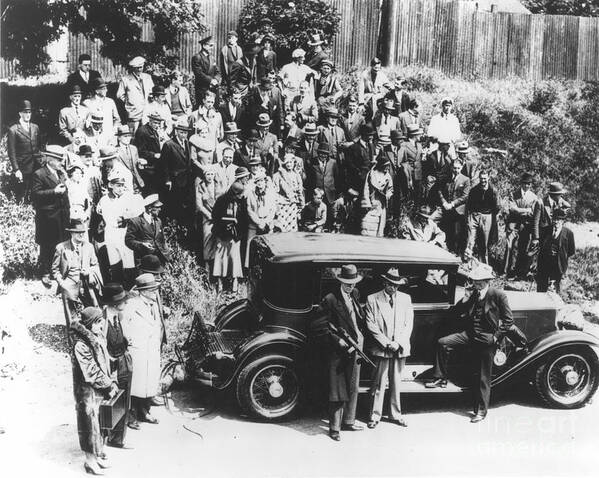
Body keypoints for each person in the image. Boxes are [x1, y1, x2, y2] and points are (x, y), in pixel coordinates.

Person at [426, 264, 513, 423]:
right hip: (470, 335)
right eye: (474, 280)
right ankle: (440, 376)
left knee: (482, 377)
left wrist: (495, 337)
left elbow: (508, 321)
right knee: (443, 343)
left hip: (487, 339)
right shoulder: (473, 294)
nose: (476, 283)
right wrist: (465, 298)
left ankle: (480, 411)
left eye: (479, 281)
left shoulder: (498, 295)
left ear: (487, 281)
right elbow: (457, 312)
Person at [315, 264, 365, 441]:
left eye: (353, 283)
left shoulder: (355, 295)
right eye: (347, 283)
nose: (351, 287)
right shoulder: (330, 299)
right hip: (338, 351)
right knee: (337, 390)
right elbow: (320, 327)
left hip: (356, 347)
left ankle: (349, 421)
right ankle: (334, 428)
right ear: (341, 282)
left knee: (353, 386)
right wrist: (339, 341)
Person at [70, 306, 118, 475]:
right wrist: (108, 384)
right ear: (90, 324)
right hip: (87, 392)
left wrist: (111, 380)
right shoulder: (81, 345)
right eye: (98, 323)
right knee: (89, 425)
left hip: (98, 389)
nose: (101, 326)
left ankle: (97, 457)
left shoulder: (97, 337)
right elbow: (90, 371)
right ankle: (89, 461)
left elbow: (104, 362)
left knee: (99, 423)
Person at [364, 268, 413, 429]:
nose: (394, 288)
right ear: (385, 282)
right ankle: (374, 415)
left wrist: (398, 343)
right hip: (382, 348)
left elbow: (408, 325)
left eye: (397, 285)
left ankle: (395, 414)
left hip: (399, 347)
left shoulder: (406, 299)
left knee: (396, 383)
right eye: (391, 284)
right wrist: (386, 343)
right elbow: (371, 325)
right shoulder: (372, 299)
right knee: (378, 383)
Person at [121, 274, 162, 425]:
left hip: (151, 350)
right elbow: (123, 323)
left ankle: (145, 412)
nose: (155, 293)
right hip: (138, 350)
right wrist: (129, 340)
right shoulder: (132, 305)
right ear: (143, 291)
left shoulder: (154, 305)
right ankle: (131, 416)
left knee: (149, 383)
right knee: (136, 385)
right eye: (152, 290)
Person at [101, 283, 137, 441]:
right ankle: (110, 436)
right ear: (115, 303)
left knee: (124, 397)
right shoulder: (102, 320)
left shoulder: (119, 316)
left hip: (123, 360)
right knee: (112, 399)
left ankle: (118, 438)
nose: (126, 302)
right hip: (111, 365)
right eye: (124, 300)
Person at [31, 146, 71, 287]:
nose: (62, 162)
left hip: (62, 215)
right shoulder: (39, 174)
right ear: (50, 159)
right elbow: (35, 195)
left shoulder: (60, 173)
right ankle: (45, 273)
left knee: (61, 243)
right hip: (47, 217)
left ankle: (59, 271)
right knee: (47, 245)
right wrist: (53, 191)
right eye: (59, 159)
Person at [97, 170, 144, 287]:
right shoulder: (104, 200)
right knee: (114, 262)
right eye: (118, 186)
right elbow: (107, 217)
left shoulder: (128, 198)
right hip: (111, 234)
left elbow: (138, 210)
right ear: (110, 185)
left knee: (129, 262)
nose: (121, 189)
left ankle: (131, 288)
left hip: (124, 234)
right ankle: (118, 289)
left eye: (123, 186)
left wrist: (125, 217)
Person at [52, 218, 100, 322]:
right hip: (69, 285)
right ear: (71, 233)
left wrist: (89, 272)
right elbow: (55, 270)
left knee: (93, 314)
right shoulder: (61, 247)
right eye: (78, 232)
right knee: (71, 319)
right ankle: (72, 336)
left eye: (83, 232)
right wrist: (62, 283)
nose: (81, 235)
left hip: (86, 284)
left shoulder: (89, 247)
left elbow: (95, 265)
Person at [212, 181, 248, 292]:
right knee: (220, 258)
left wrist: (238, 232)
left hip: (235, 235)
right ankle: (220, 283)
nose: (241, 196)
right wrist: (223, 227)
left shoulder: (242, 202)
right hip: (222, 234)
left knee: (235, 258)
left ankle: (235, 283)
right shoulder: (221, 200)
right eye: (239, 194)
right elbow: (215, 217)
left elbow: (244, 219)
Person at [503, 172, 539, 278]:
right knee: (510, 247)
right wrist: (525, 210)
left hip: (526, 226)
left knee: (522, 248)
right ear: (521, 183)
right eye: (524, 183)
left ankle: (518, 271)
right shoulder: (514, 194)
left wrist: (519, 210)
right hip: (513, 224)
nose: (526, 186)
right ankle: (506, 271)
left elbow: (532, 212)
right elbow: (512, 209)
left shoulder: (533, 197)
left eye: (529, 184)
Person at [7, 99, 42, 202]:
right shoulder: (13, 130)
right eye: (25, 112)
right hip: (23, 167)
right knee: (22, 194)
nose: (28, 114)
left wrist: (41, 161)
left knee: (36, 192)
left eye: (29, 112)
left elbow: (39, 146)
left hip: (36, 166)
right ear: (20, 113)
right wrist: (16, 169)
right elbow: (11, 152)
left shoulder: (35, 127)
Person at [125, 194, 170, 268]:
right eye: (157, 207)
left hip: (158, 261)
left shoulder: (158, 221)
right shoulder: (136, 222)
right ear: (149, 208)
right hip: (144, 261)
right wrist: (141, 244)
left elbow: (162, 240)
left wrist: (167, 255)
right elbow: (128, 241)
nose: (160, 209)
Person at [436, 157, 470, 255]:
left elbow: (465, 196)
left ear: (461, 167)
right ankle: (447, 253)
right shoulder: (447, 178)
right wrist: (444, 202)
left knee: (457, 234)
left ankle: (457, 255)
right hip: (447, 210)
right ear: (451, 167)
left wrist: (452, 204)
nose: (456, 170)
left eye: (458, 168)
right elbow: (440, 190)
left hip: (458, 211)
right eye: (454, 168)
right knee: (447, 232)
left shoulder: (466, 179)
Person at [161, 118, 193, 222]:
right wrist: (167, 180)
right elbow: (164, 165)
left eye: (185, 133)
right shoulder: (169, 145)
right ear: (176, 132)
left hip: (186, 179)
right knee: (175, 203)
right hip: (175, 180)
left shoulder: (186, 142)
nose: (184, 135)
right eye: (181, 132)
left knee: (185, 203)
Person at [465, 170, 500, 264]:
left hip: (486, 217)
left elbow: (497, 207)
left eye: (485, 178)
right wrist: (470, 217)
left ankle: (484, 266)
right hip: (474, 215)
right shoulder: (474, 190)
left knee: (484, 243)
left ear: (488, 178)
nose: (483, 181)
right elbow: (469, 204)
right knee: (470, 241)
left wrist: (489, 217)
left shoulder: (493, 190)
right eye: (481, 178)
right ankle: (467, 263)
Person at [536, 209, 575, 293]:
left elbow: (571, 251)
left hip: (558, 264)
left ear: (563, 221)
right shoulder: (545, 230)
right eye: (554, 219)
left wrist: (561, 256)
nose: (556, 221)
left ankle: (554, 304)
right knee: (541, 286)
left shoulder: (569, 234)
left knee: (555, 287)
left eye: (559, 219)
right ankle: (540, 303)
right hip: (544, 262)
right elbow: (540, 246)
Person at [245, 170, 276, 265]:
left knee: (268, 245)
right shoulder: (251, 194)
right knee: (251, 244)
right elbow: (249, 209)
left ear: (265, 182)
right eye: (258, 181)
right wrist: (258, 222)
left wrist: (266, 221)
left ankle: (267, 265)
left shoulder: (270, 193)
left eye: (262, 181)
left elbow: (273, 209)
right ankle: (250, 266)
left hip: (267, 222)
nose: (260, 183)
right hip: (255, 223)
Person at [117, 56, 154, 134]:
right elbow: (119, 95)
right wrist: (129, 102)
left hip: (147, 113)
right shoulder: (126, 79)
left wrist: (151, 98)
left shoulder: (148, 77)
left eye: (141, 67)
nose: (139, 69)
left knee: (146, 136)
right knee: (133, 136)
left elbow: (152, 91)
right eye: (137, 68)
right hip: (133, 114)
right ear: (133, 68)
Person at [195, 165, 223, 267]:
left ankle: (218, 270)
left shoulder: (218, 185)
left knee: (219, 242)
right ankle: (207, 269)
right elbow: (199, 205)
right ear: (204, 175)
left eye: (212, 174)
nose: (210, 176)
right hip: (207, 218)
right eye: (208, 174)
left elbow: (223, 201)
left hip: (219, 218)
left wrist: (218, 214)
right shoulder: (201, 186)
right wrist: (209, 215)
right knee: (207, 241)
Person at [362, 153, 393, 237]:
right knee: (368, 223)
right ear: (381, 166)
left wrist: (388, 195)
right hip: (372, 201)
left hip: (381, 203)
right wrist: (367, 202)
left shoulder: (387, 176)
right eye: (386, 166)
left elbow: (390, 189)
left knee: (380, 224)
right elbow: (366, 189)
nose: (387, 168)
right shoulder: (372, 175)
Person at [134, 112, 166, 193]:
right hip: (147, 167)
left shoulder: (153, 130)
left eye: (159, 123)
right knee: (150, 189)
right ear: (150, 121)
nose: (157, 125)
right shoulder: (142, 131)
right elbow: (140, 151)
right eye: (155, 123)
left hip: (155, 165)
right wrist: (154, 155)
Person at [532, 181, 572, 246]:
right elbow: (535, 222)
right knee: (543, 253)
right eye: (560, 194)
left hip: (554, 232)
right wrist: (535, 238)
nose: (561, 195)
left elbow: (569, 206)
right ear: (554, 195)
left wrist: (563, 210)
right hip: (543, 233)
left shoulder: (560, 200)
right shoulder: (540, 203)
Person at [273, 153, 305, 232]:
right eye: (287, 162)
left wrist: (301, 204)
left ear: (294, 163)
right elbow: (275, 191)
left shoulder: (296, 175)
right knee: (282, 227)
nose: (289, 164)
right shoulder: (278, 175)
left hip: (293, 204)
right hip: (282, 205)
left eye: (290, 162)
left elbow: (300, 191)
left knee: (292, 227)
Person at [83, 77, 121, 143]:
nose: (106, 90)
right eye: (103, 89)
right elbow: (84, 121)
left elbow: (117, 119)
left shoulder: (110, 102)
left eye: (106, 88)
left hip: (109, 136)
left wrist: (113, 130)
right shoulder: (88, 103)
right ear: (96, 91)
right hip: (93, 137)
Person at [344, 123, 377, 194]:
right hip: (358, 182)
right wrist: (359, 173)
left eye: (372, 135)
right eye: (370, 135)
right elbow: (350, 165)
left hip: (371, 180)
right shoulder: (353, 148)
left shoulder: (372, 146)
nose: (372, 137)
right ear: (364, 135)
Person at [396, 123, 424, 201]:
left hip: (418, 174)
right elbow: (399, 162)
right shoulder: (404, 145)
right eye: (419, 134)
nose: (420, 136)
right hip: (409, 175)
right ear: (415, 135)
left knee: (418, 196)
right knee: (408, 196)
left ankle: (416, 211)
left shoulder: (419, 145)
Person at [115, 125, 145, 194]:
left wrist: (141, 164)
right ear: (119, 138)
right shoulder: (115, 151)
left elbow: (137, 166)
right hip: (124, 185)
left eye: (129, 136)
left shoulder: (134, 148)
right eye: (125, 136)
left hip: (137, 183)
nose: (128, 138)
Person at [191, 35, 220, 106]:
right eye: (210, 45)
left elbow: (218, 72)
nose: (212, 48)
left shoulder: (212, 58)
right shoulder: (197, 57)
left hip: (213, 89)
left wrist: (216, 80)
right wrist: (211, 81)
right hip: (203, 89)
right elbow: (199, 73)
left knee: (214, 109)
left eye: (212, 46)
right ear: (204, 45)